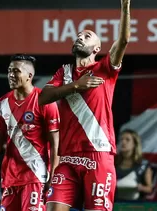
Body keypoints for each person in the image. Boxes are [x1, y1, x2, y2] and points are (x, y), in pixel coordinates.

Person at [38, 0, 131, 210]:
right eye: (78, 35)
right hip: (68, 157)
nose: (80, 37)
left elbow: (123, 41)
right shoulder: (64, 73)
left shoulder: (105, 68)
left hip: (98, 154)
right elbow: (43, 98)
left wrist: (125, 8)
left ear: (97, 48)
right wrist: (76, 86)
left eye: (87, 36)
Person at [0, 54, 60, 211]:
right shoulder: (1, 103)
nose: (11, 75)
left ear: (29, 75)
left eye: (16, 71)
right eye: (9, 71)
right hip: (10, 177)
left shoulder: (45, 101)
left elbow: (56, 145)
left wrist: (53, 176)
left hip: (36, 175)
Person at [115, 129, 153, 201]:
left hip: (135, 205)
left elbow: (149, 189)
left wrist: (138, 187)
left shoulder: (143, 164)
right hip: (115, 203)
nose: (123, 142)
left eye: (127, 140)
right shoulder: (114, 162)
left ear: (134, 144)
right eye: (121, 139)